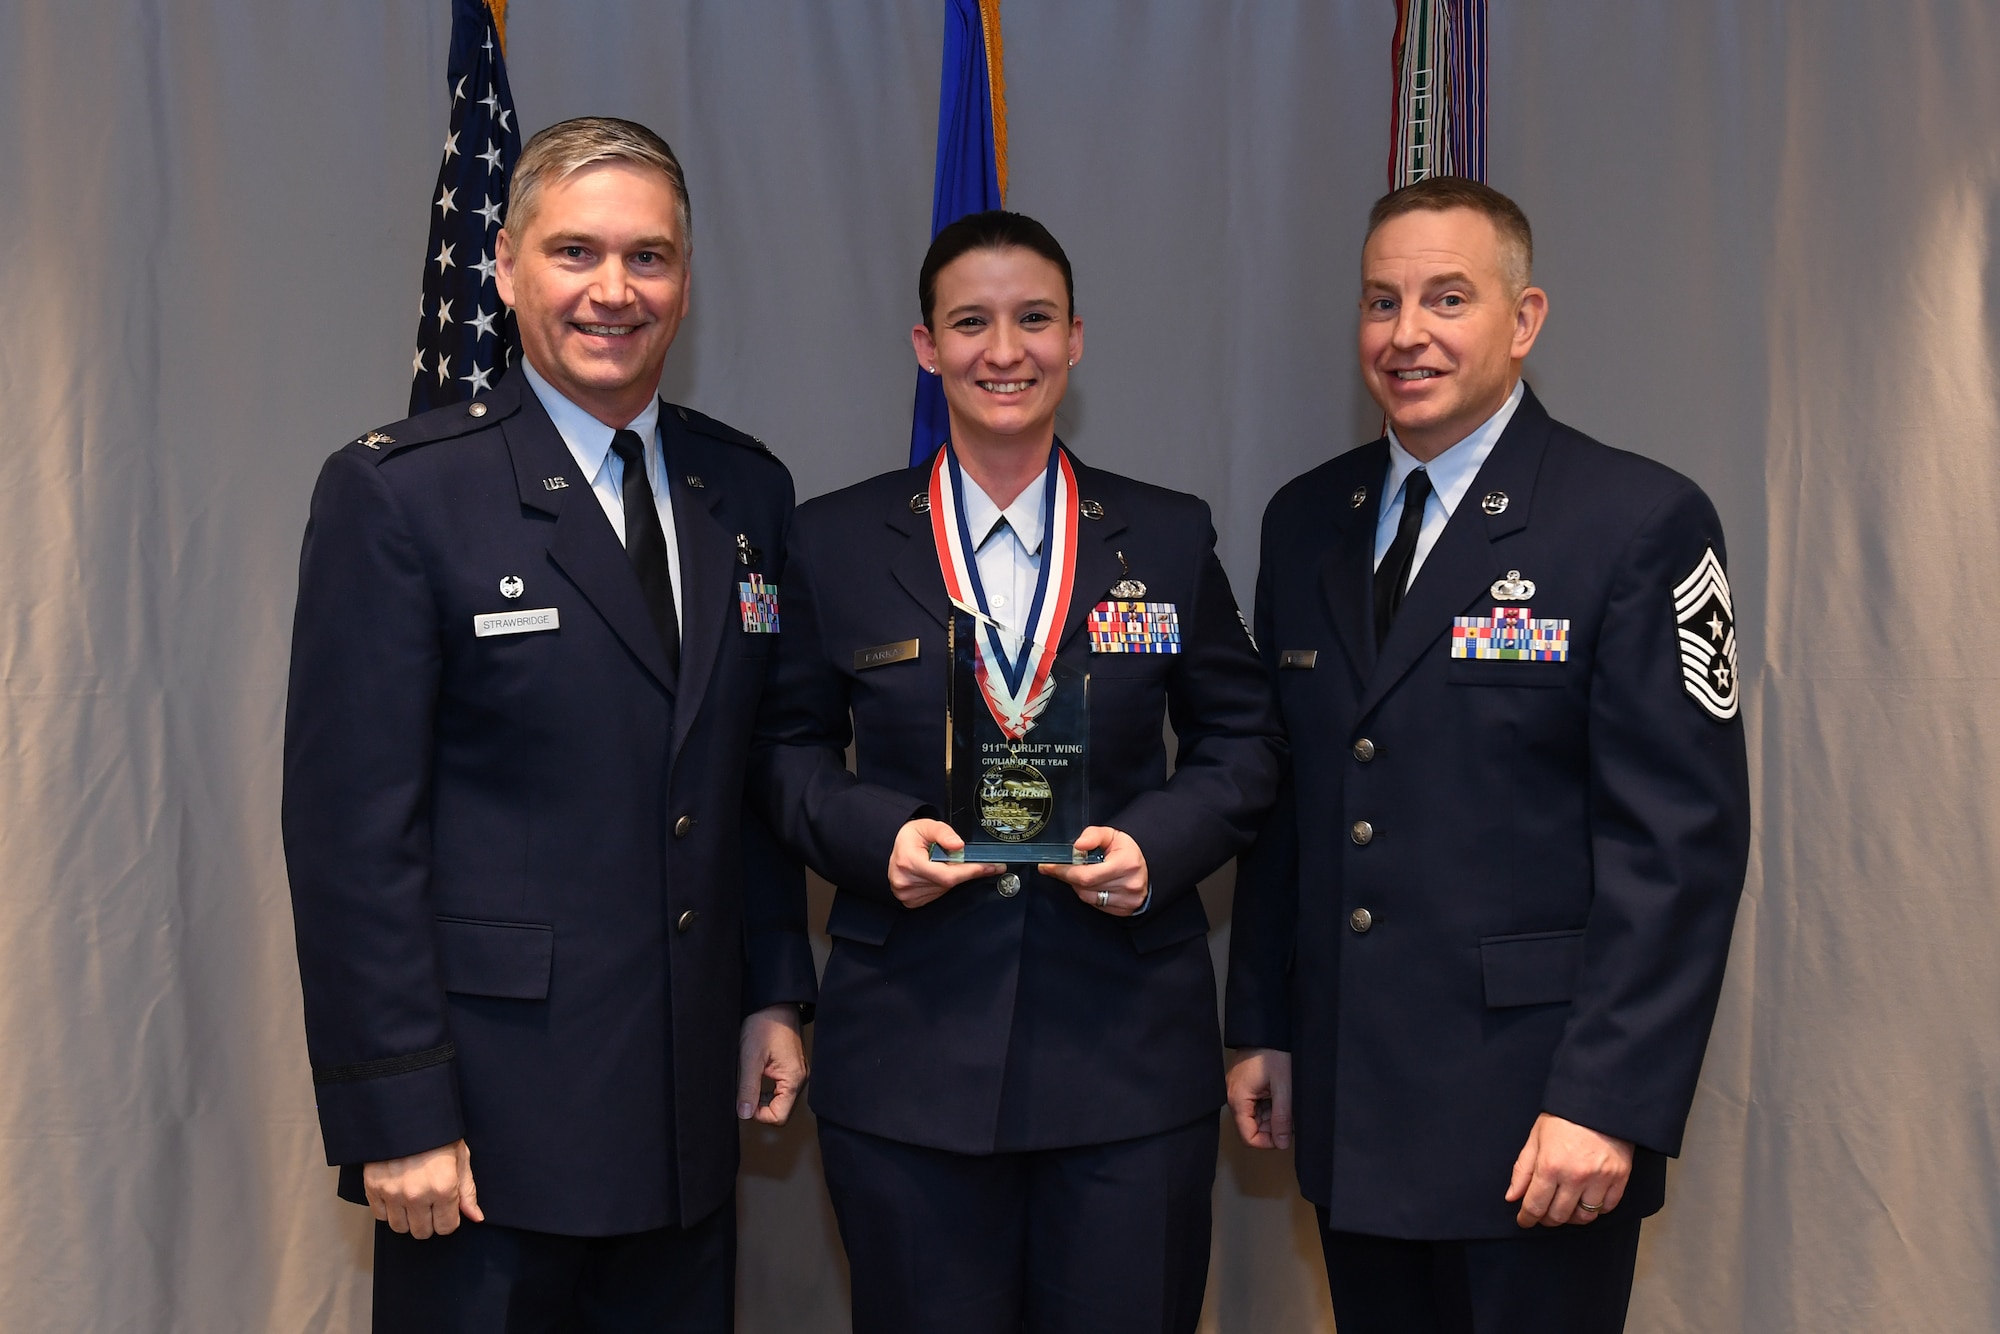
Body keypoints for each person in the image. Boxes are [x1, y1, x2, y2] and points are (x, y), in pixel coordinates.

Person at [282, 117, 815, 1331]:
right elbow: (351, 836)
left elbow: (746, 769)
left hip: (683, 1112)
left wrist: (773, 991)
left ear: (686, 278)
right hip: (482, 1133)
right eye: (575, 253)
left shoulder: (745, 492)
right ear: (508, 267)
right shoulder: (401, 494)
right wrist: (396, 1109)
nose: (613, 292)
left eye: (649, 257)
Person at [1224, 176, 1751, 1333]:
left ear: (1523, 319)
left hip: (1535, 1114)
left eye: (1446, 298)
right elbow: (1294, 798)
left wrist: (1605, 1099)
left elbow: (1680, 844)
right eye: (1380, 300)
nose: (1405, 333)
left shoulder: (1631, 520)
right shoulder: (1304, 518)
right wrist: (1261, 1014)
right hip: (1353, 1095)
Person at [750, 210, 1283, 1334]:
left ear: (1076, 338)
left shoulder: (1167, 534)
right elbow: (782, 748)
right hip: (906, 1055)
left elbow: (1245, 744)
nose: (1005, 350)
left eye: (1033, 319)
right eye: (971, 322)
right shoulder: (835, 540)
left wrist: (1159, 844)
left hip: (1127, 1057)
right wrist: (867, 833)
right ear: (923, 344)